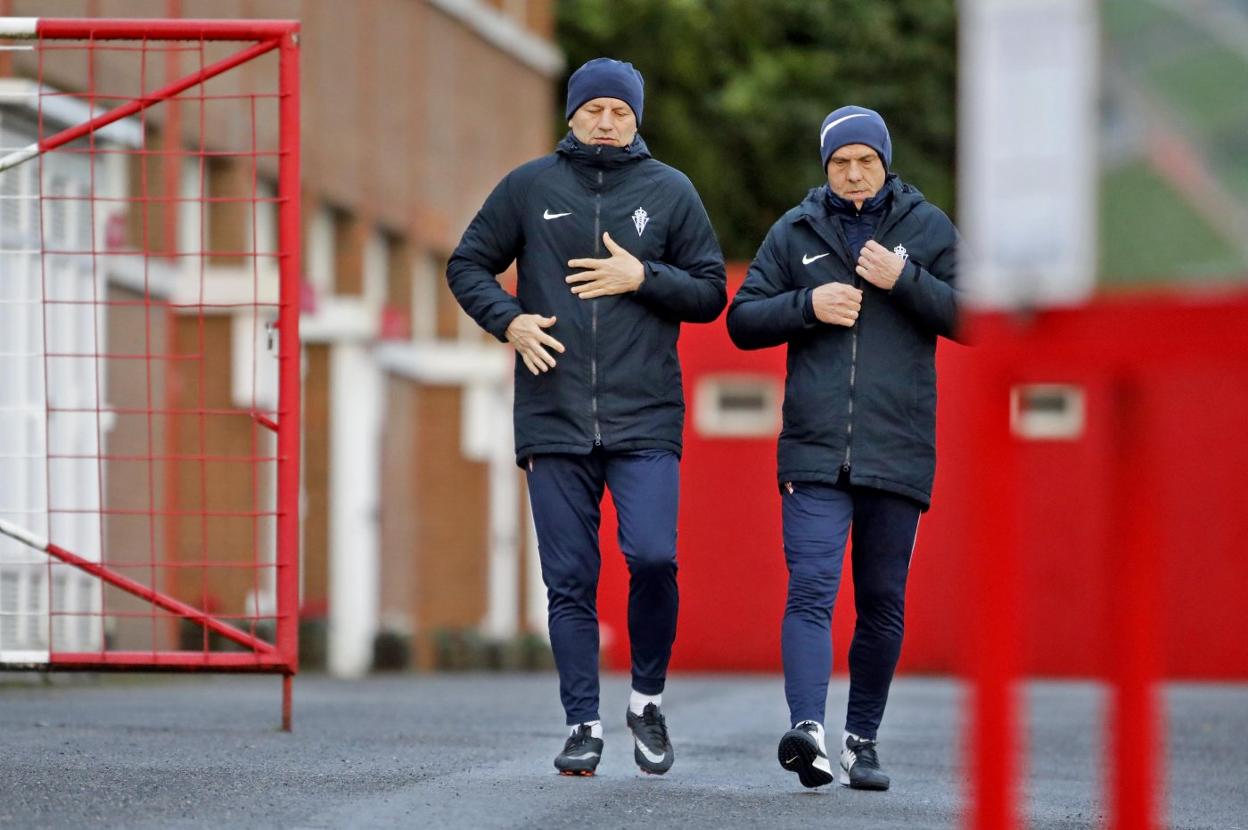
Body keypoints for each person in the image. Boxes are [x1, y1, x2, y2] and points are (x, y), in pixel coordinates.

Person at [447, 58, 726, 777]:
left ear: (638, 119)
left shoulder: (670, 192)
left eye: (621, 112)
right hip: (553, 412)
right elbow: (467, 264)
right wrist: (508, 322)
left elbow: (709, 292)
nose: (607, 121)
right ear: (572, 115)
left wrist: (643, 277)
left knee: (654, 558)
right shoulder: (530, 186)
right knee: (569, 579)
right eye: (595, 109)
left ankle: (646, 701)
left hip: (645, 415)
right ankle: (582, 724)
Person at [726, 106, 960, 791]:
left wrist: (904, 279)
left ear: (886, 164)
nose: (853, 173)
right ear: (825, 168)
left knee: (882, 600)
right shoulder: (795, 231)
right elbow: (741, 319)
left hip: (898, 446)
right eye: (840, 163)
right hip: (814, 449)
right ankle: (809, 731)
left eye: (866, 161)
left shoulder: (928, 229)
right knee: (811, 589)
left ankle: (862, 739)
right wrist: (807, 304)